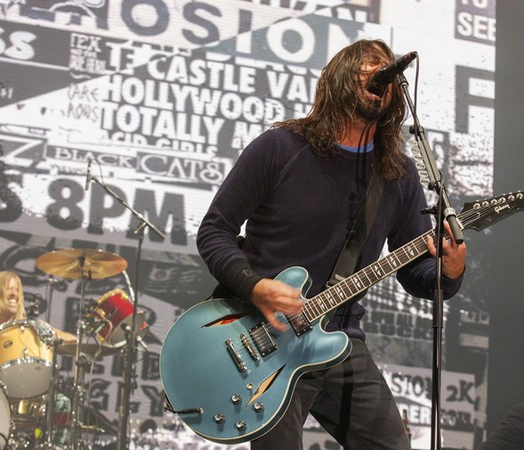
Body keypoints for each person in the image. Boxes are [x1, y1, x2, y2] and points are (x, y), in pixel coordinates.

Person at [196, 39, 467, 450]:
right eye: (368, 66)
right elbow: (214, 230)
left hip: (339, 341)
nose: (381, 73)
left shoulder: (397, 173)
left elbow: (417, 273)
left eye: (386, 69)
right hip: (265, 338)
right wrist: (255, 286)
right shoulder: (280, 148)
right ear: (339, 78)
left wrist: (450, 271)